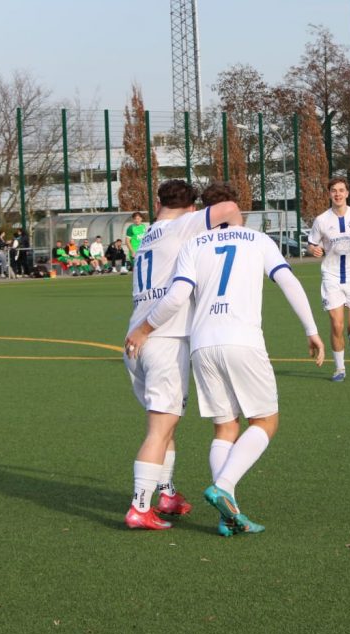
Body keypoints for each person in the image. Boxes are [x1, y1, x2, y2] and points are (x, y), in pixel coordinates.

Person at [126, 181, 325, 536]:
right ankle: (171, 499)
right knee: (263, 421)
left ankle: (202, 505)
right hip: (195, 338)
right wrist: (311, 329)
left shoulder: (167, 240)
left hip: (193, 343)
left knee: (220, 427)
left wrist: (140, 329)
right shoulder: (242, 237)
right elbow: (287, 281)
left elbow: (182, 288)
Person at [120, 180, 243, 530]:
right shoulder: (183, 225)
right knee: (160, 429)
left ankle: (167, 493)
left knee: (164, 424)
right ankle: (139, 508)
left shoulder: (147, 234)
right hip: (164, 338)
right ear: (191, 209)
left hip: (135, 341)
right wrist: (238, 241)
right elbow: (229, 209)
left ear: (158, 203)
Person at [307, 177, 350, 382]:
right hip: (332, 276)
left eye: (341, 190)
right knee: (337, 325)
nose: (338, 194)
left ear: (347, 193)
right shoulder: (321, 220)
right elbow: (311, 244)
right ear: (329, 194)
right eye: (334, 190)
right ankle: (339, 368)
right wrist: (313, 250)